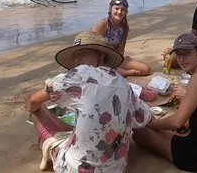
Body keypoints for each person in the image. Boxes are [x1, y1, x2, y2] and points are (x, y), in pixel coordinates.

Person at [26, 31, 152, 172]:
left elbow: (33, 100)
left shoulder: (82, 73)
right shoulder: (124, 84)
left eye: (82, 53)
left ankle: (49, 147)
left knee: (36, 110)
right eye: (75, 56)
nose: (77, 59)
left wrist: (33, 109)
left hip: (77, 168)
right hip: (117, 168)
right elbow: (145, 117)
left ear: (101, 55)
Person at [134, 33, 197, 172]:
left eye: (186, 54)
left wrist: (150, 124)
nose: (181, 59)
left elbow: (177, 122)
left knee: (141, 132)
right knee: (164, 130)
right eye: (179, 55)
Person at [92, 0, 152, 77]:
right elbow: (92, 47)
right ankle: (124, 73)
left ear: (126, 12)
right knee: (102, 72)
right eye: (116, 9)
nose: (119, 12)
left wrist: (117, 60)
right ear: (110, 9)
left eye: (123, 10)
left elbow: (120, 50)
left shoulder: (124, 28)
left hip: (114, 59)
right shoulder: (102, 24)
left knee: (146, 69)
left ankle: (119, 70)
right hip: (98, 60)